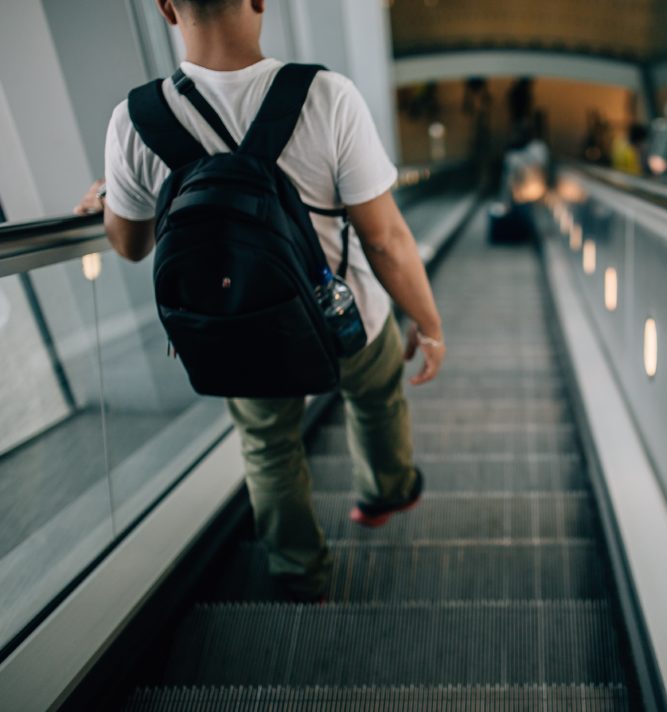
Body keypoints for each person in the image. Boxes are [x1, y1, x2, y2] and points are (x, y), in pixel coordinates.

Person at [74, 0, 446, 601]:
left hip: (237, 328)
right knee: (375, 397)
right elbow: (384, 238)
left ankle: (300, 572)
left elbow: (130, 245)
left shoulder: (134, 118)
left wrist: (110, 194)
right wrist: (428, 325)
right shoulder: (326, 95)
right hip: (344, 317)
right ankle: (384, 493)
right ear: (259, 1)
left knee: (268, 446)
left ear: (168, 9)